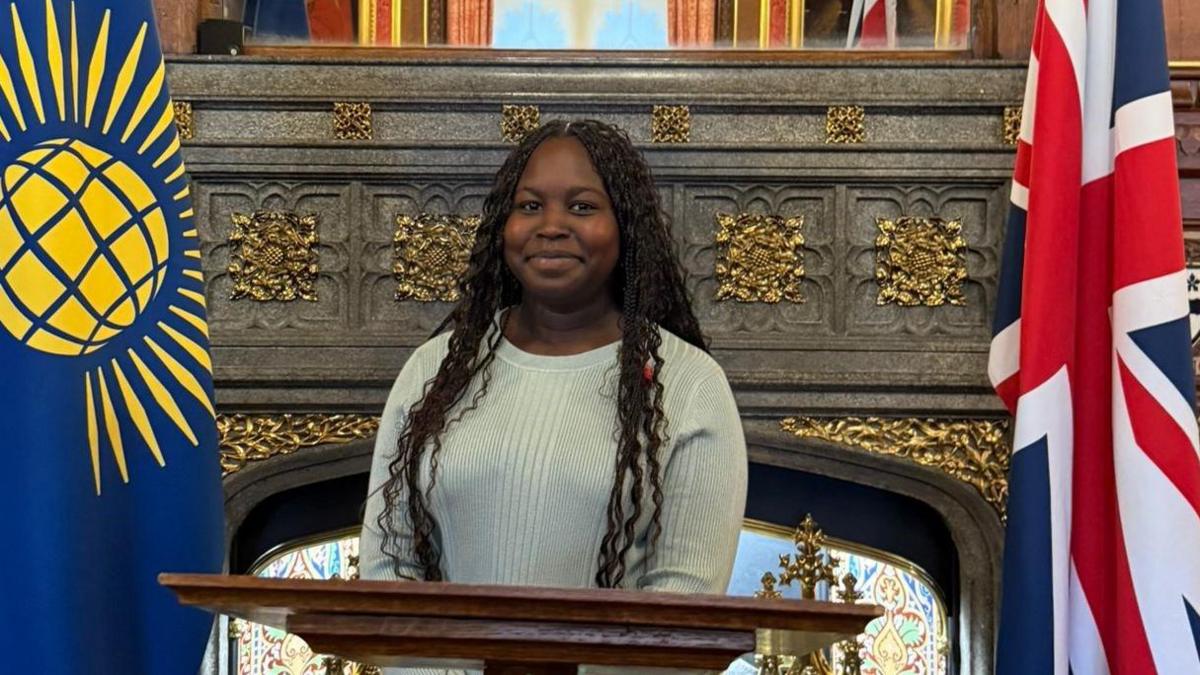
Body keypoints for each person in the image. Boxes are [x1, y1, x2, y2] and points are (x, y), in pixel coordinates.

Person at [360, 119, 748, 673]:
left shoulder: (687, 385)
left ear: (626, 228)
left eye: (583, 207)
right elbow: (388, 564)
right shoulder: (436, 368)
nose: (551, 227)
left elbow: (682, 605)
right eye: (530, 206)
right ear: (504, 225)